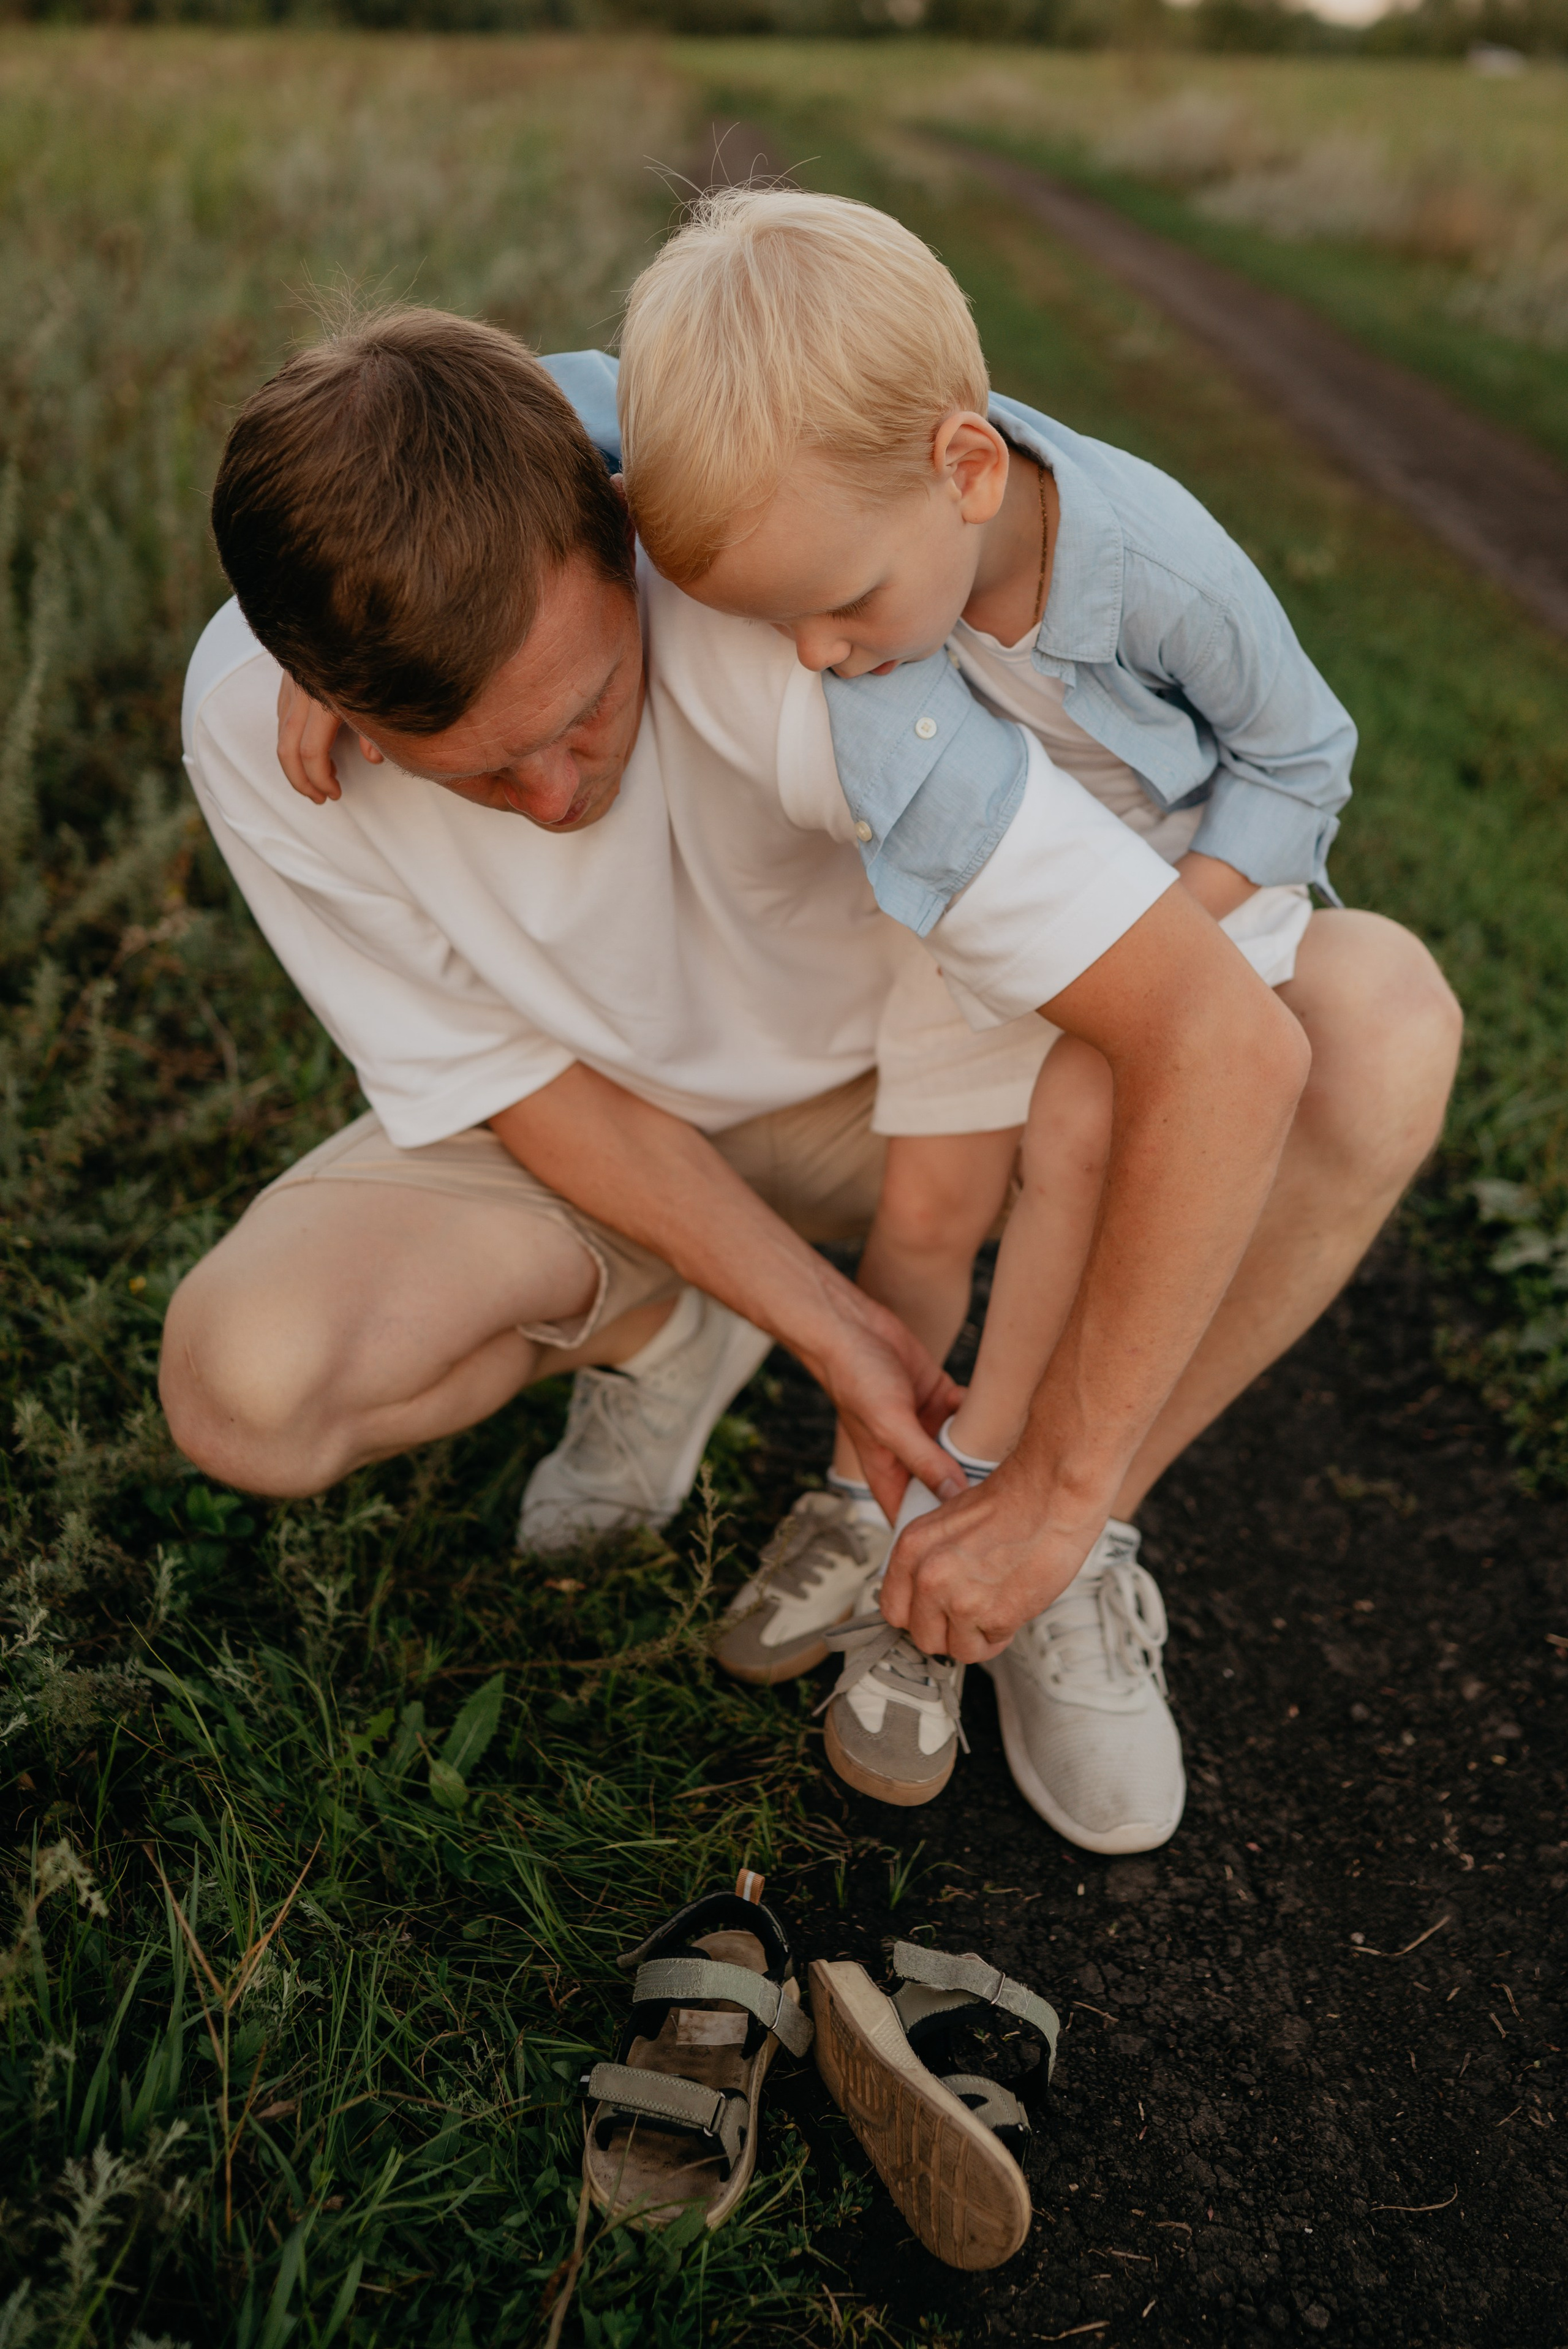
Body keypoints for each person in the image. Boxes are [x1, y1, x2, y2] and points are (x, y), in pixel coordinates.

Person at [173, 304, 1455, 1865]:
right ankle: (677, 1325)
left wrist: (1053, 1487)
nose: (555, 796)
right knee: (247, 1386)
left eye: (582, 714)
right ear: (328, 692)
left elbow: (1219, 1040)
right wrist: (823, 1318)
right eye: (475, 770)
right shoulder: (264, 721)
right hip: (606, 1134)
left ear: (620, 525)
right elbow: (510, 1076)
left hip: (895, 1100)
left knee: (1374, 1020)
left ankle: (1060, 1540)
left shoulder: (777, 608)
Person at [605, 186, 1461, 1840]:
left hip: (1192, 891)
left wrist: (1176, 937)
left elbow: (1304, 757)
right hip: (982, 899)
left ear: (968, 471)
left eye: (842, 607)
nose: (820, 656)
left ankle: (999, 1534)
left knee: (1085, 1109)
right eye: (786, 625)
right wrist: (334, 641)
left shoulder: (1154, 566)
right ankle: (867, 1498)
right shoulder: (863, 524)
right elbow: (548, 424)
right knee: (931, 1200)